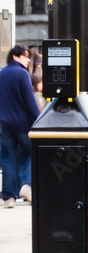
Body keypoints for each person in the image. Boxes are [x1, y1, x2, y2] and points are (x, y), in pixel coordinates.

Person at [0, 45, 39, 208]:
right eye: (25, 56)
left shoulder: (1, 73)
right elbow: (30, 101)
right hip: (23, 125)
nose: (28, 59)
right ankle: (28, 185)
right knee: (32, 154)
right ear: (15, 57)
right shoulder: (22, 74)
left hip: (4, 124)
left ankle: (9, 196)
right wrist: (38, 119)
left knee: (7, 159)